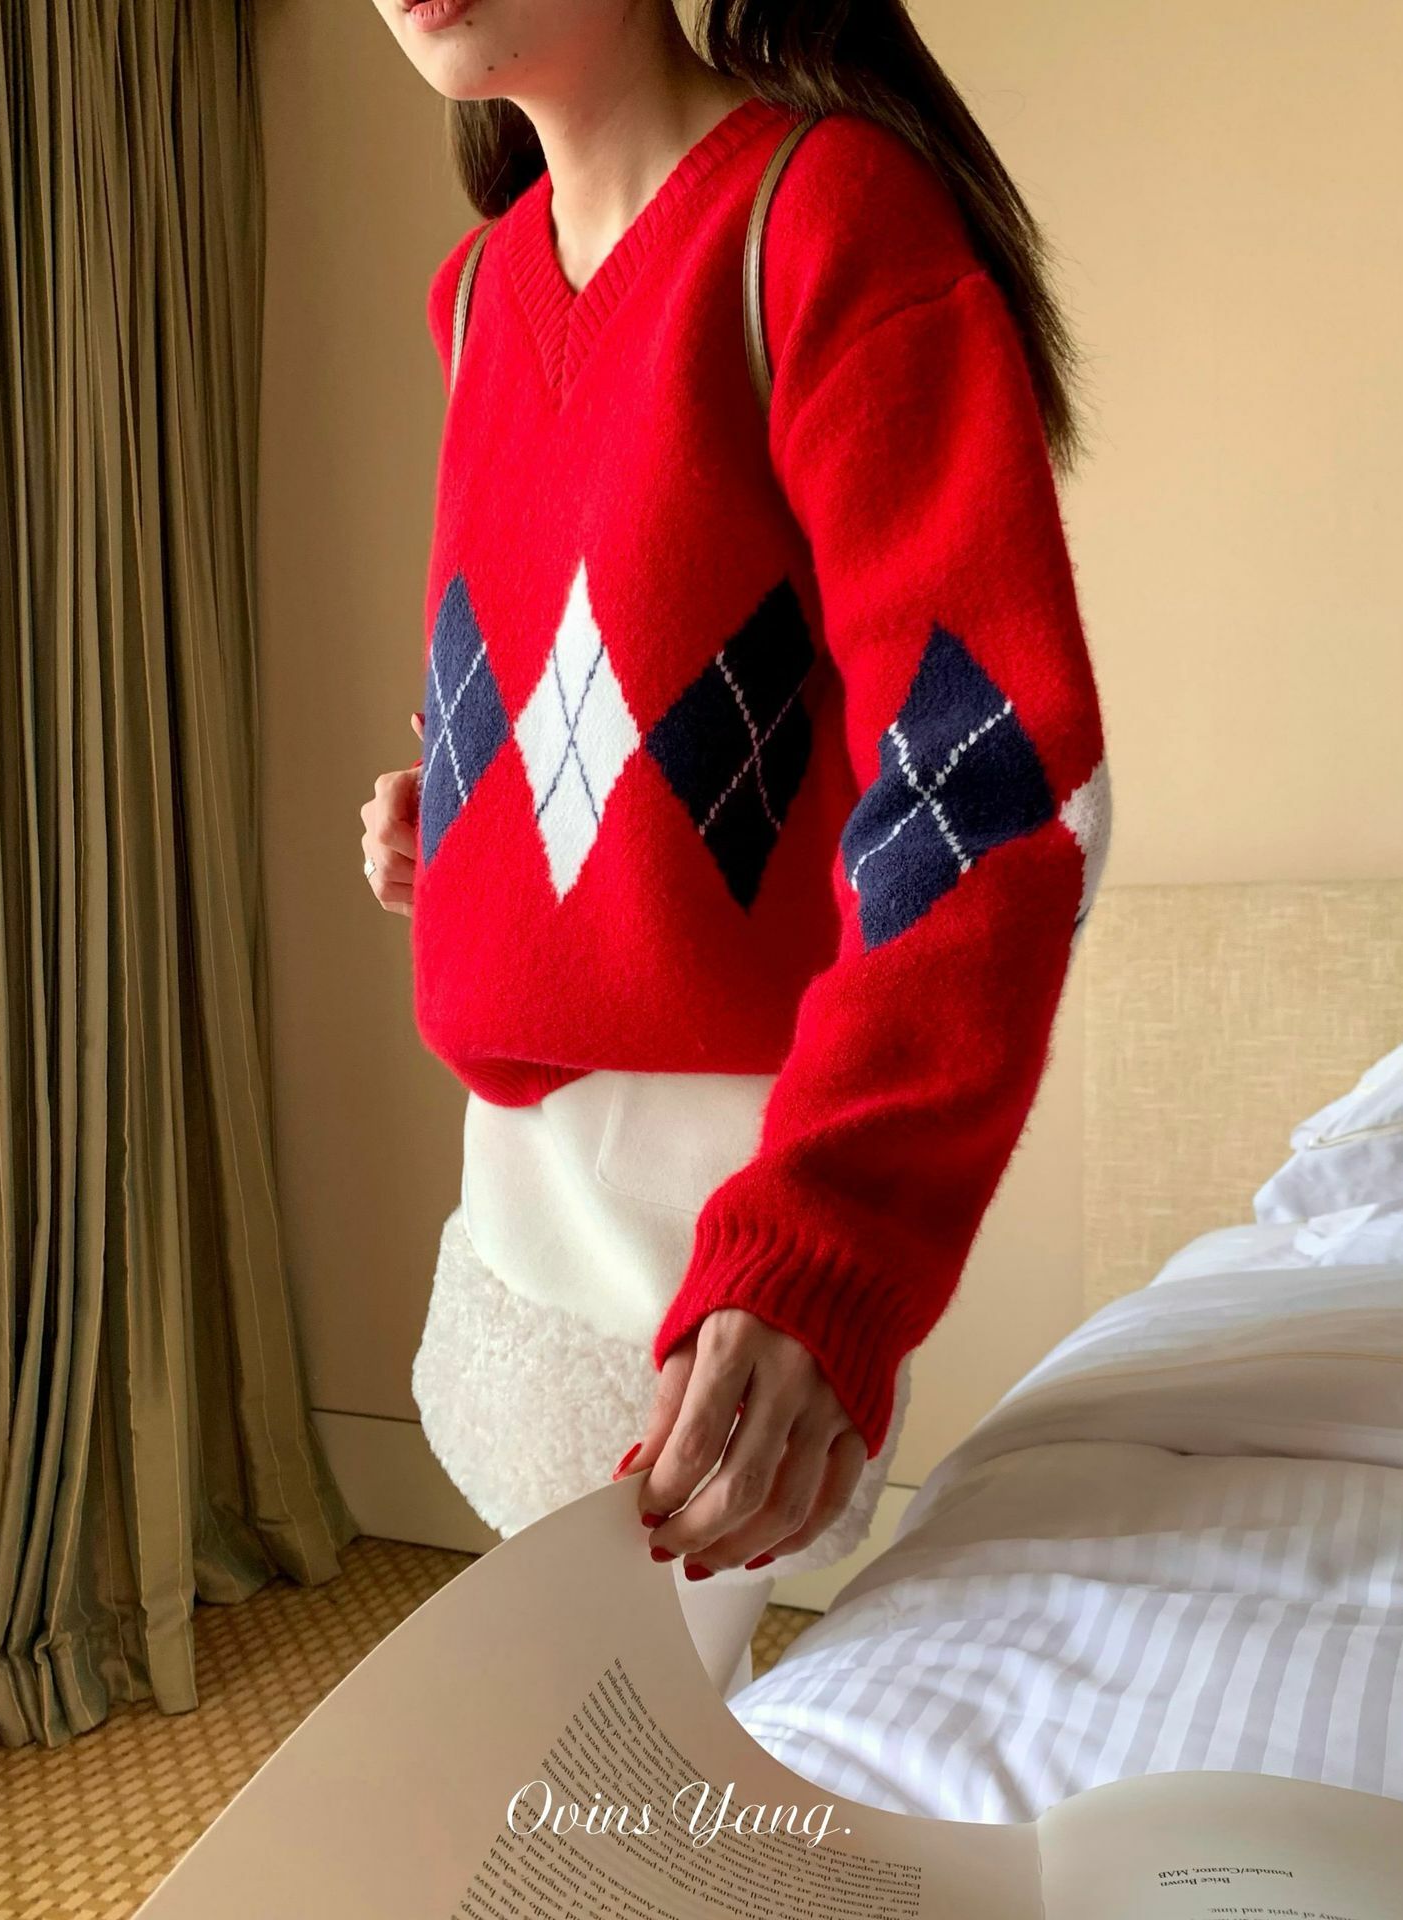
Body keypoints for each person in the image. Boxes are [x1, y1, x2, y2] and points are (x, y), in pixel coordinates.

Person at [359, 0, 1112, 1697]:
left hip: (724, 1208)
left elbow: (995, 783)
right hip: (513, 1191)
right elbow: (610, 664)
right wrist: (459, 815)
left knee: (615, 1763)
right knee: (586, 1748)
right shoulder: (474, 291)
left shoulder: (821, 215)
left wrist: (830, 1234)